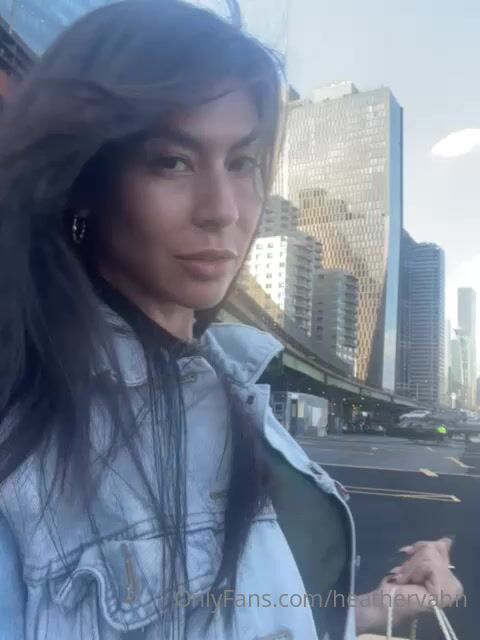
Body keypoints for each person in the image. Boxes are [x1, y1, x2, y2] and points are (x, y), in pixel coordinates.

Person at [0, 1, 462, 639]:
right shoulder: (26, 440)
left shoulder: (231, 387)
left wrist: (381, 606)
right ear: (86, 180)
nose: (223, 210)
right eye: (172, 160)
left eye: (242, 162)